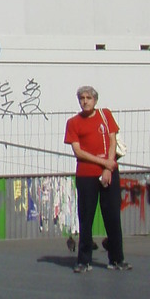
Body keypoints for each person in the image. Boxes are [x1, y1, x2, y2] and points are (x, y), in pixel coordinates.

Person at [64, 85, 130, 273]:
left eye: (88, 98)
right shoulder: (73, 122)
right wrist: (102, 162)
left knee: (112, 216)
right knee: (86, 217)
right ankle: (84, 261)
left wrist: (108, 165)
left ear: (95, 100)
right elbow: (78, 151)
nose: (85, 101)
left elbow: (112, 140)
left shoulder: (105, 115)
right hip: (86, 175)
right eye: (82, 98)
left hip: (109, 171)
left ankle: (117, 259)